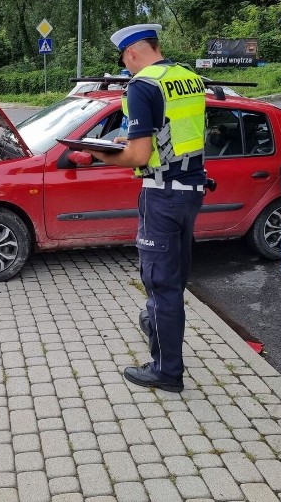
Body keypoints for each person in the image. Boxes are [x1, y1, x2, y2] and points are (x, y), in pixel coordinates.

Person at [86, 23, 206, 393]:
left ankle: (166, 372)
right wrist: (129, 137)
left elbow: (138, 155)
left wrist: (94, 151)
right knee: (174, 279)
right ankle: (155, 325)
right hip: (191, 189)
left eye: (124, 58)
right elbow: (171, 133)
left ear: (133, 52)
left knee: (160, 285)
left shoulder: (142, 85)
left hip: (162, 195)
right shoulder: (188, 78)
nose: (126, 66)